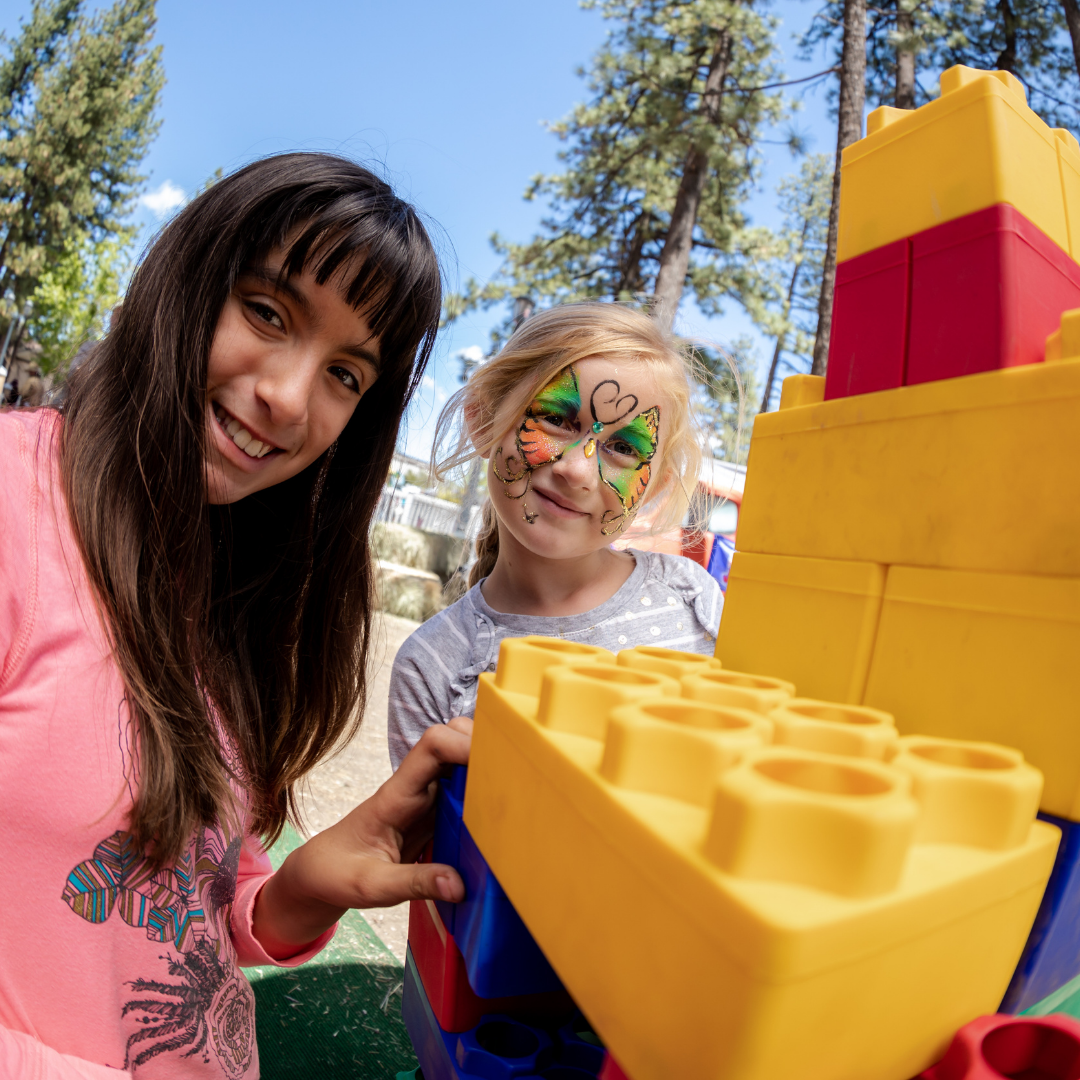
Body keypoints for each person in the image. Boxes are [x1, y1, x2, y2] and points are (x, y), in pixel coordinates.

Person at [0, 153, 473, 1080]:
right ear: (187, 280)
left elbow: (177, 907)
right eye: (268, 313)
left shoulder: (228, 585)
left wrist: (295, 891)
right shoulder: (15, 503)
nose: (290, 400)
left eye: (345, 374)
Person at [388, 302, 724, 768]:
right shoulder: (432, 665)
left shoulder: (693, 601)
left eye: (624, 448)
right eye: (558, 420)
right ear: (484, 420)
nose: (577, 470)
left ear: (654, 490)